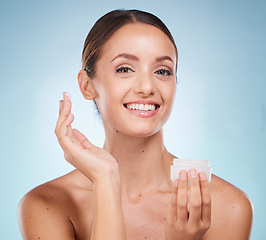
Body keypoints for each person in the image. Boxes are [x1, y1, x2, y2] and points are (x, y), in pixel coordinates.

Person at [18, 9, 253, 240]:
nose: (146, 87)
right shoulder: (47, 205)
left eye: (163, 71)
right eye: (124, 69)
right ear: (87, 85)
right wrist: (106, 179)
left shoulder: (227, 206)